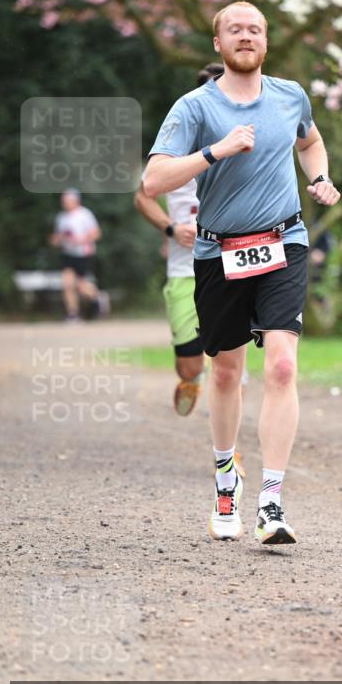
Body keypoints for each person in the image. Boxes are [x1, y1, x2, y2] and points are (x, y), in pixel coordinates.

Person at [143, 1, 340, 545]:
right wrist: (215, 152)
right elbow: (154, 179)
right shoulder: (194, 107)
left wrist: (319, 176)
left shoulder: (289, 95)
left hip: (284, 242)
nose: (246, 36)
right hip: (217, 253)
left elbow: (310, 140)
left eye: (255, 29)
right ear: (218, 43)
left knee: (280, 367)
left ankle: (271, 502)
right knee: (226, 372)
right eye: (235, 29)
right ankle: (226, 481)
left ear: (266, 41)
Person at [134, 64, 221, 418]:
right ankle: (192, 379)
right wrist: (172, 229)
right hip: (185, 268)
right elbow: (142, 196)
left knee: (229, 364)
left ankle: (232, 450)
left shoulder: (244, 143)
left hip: (231, 266)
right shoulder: (177, 145)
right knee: (189, 365)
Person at [49, 188, 108, 321]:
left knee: (81, 286)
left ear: (75, 201)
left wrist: (81, 240)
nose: (64, 203)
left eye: (66, 200)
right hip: (67, 254)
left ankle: (97, 296)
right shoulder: (61, 217)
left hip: (83, 254)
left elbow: (96, 233)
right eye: (63, 200)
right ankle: (73, 314)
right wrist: (56, 240)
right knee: (67, 284)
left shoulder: (84, 214)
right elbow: (58, 236)